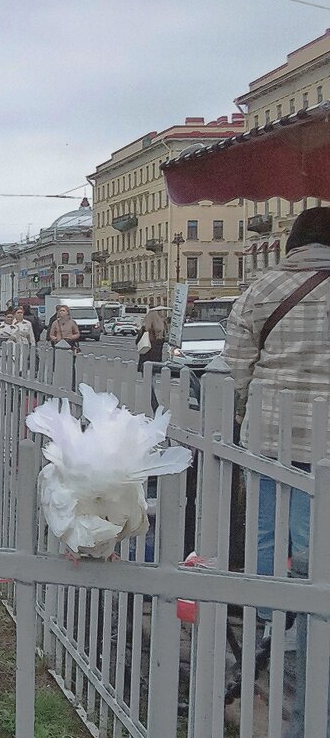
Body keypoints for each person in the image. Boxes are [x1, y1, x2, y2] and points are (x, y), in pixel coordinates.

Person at [224, 207, 330, 737]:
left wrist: (253, 400)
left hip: (269, 428)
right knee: (318, 537)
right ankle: (314, 623)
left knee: (266, 523)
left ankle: (268, 615)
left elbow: (238, 360)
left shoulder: (262, 287)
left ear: (293, 240)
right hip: (327, 438)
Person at [136, 306, 170, 372]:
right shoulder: (160, 332)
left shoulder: (144, 329)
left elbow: (137, 341)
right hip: (157, 359)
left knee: (146, 378)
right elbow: (163, 341)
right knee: (154, 377)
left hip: (145, 358)